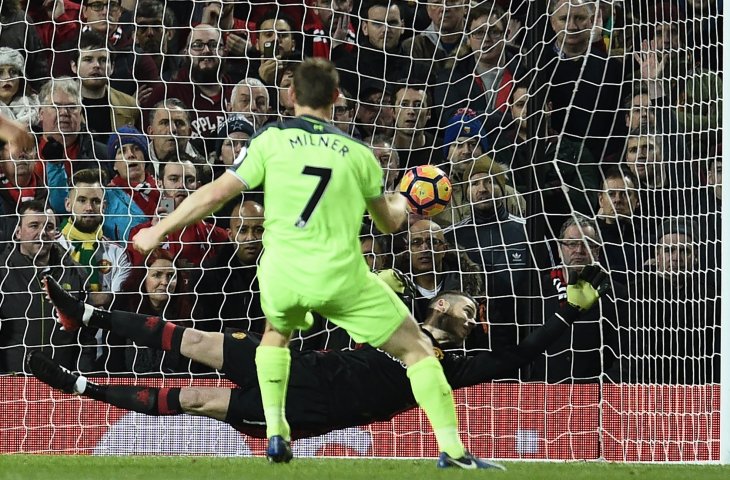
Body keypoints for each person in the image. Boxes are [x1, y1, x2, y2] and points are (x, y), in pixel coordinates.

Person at [130, 57, 494, 469]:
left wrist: (158, 230)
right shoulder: (359, 154)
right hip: (340, 275)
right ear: (337, 99)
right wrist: (403, 199)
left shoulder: (271, 140)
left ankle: (276, 432)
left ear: (290, 96)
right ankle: (452, 448)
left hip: (283, 272)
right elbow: (390, 222)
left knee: (275, 336)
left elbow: (215, 194)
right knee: (418, 351)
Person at [31, 269, 608, 442]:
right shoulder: (397, 316)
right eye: (467, 305)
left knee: (196, 398)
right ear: (442, 307)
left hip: (311, 411)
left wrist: (570, 308)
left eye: (475, 315)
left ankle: (80, 387)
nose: (473, 313)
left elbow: (525, 352)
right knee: (199, 341)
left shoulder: (453, 368)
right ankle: (84, 315)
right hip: (298, 367)